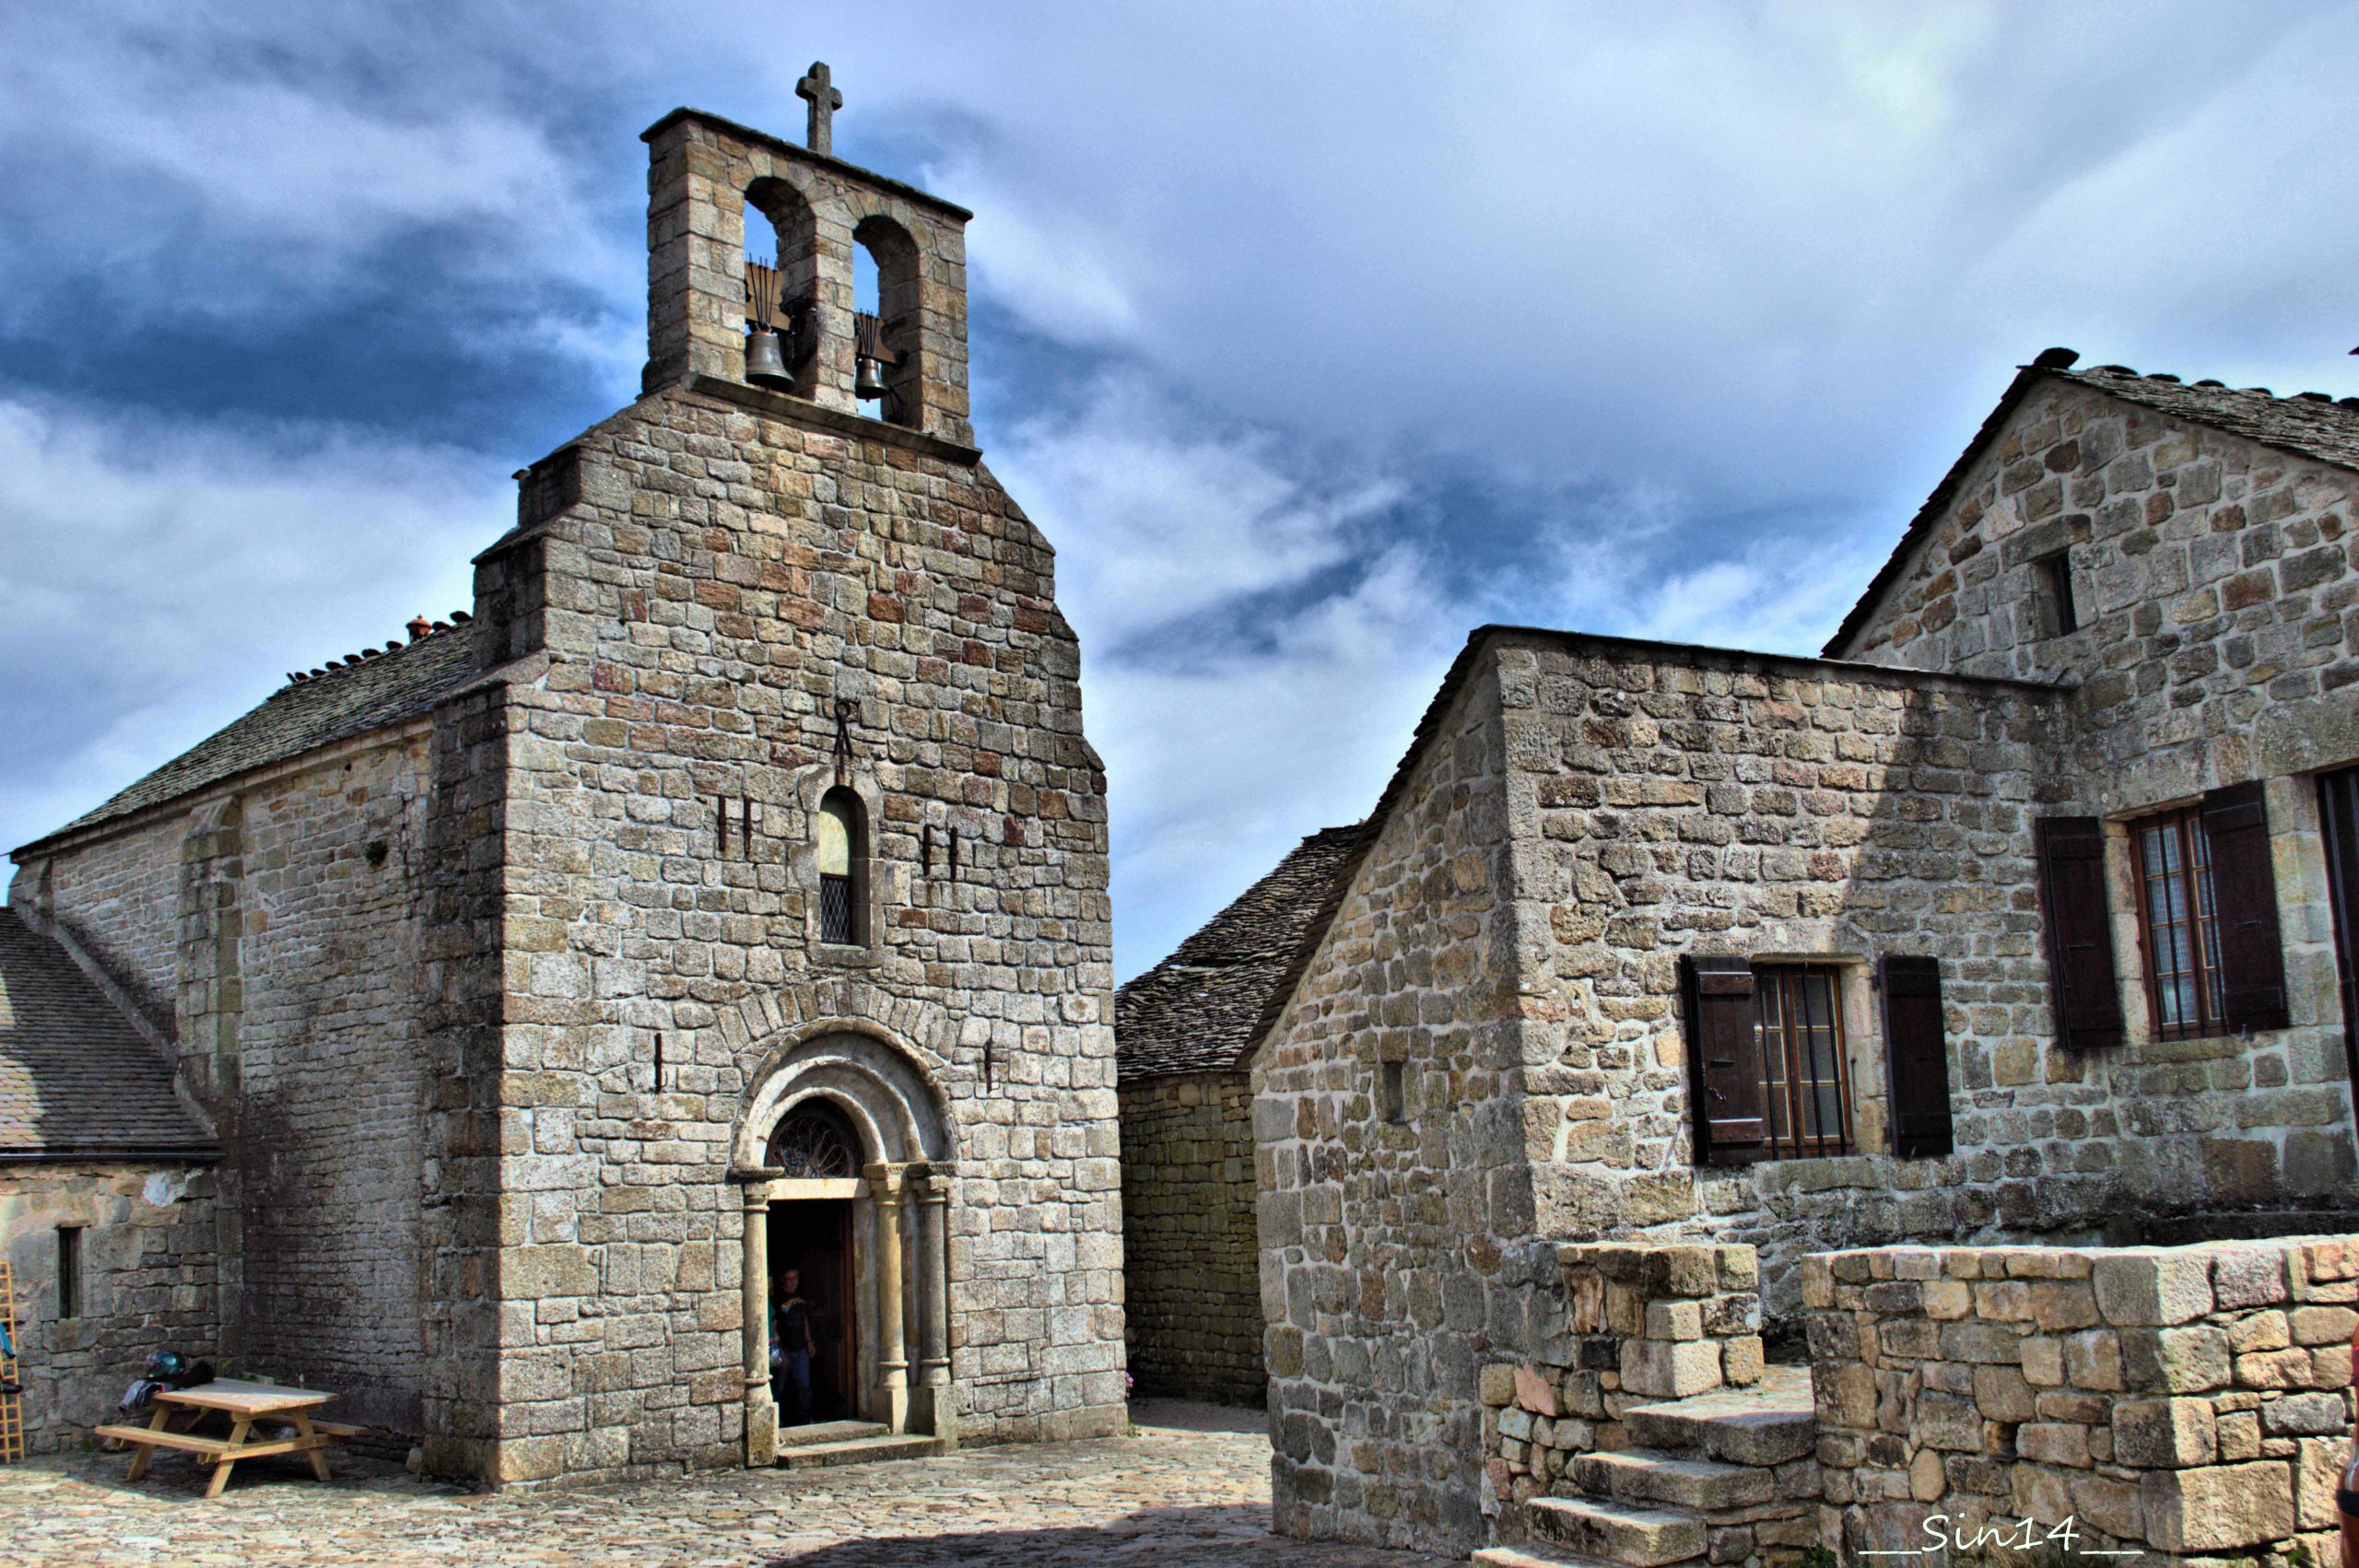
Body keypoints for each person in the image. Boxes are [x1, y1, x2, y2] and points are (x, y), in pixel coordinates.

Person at [772, 1269, 816, 1425]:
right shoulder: (776, 1299)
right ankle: (777, 1422)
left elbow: (804, 1320)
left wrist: (809, 1341)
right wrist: (779, 1352)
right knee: (779, 1388)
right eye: (788, 1279)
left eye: (794, 1278)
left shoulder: (801, 1296)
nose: (791, 1282)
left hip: (801, 1349)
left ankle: (804, 1420)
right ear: (783, 1280)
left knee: (804, 1387)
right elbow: (773, 1327)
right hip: (784, 1350)